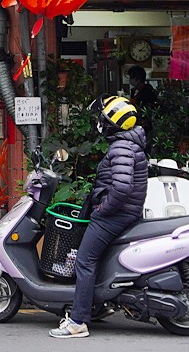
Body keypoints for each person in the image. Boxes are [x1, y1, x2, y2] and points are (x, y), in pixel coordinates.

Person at [49, 95, 148, 339]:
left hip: (115, 214)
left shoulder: (121, 147)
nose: (99, 124)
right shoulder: (129, 143)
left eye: (102, 119)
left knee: (84, 261)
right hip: (123, 212)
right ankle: (98, 305)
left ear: (112, 124)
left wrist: (102, 210)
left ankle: (78, 321)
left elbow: (122, 188)